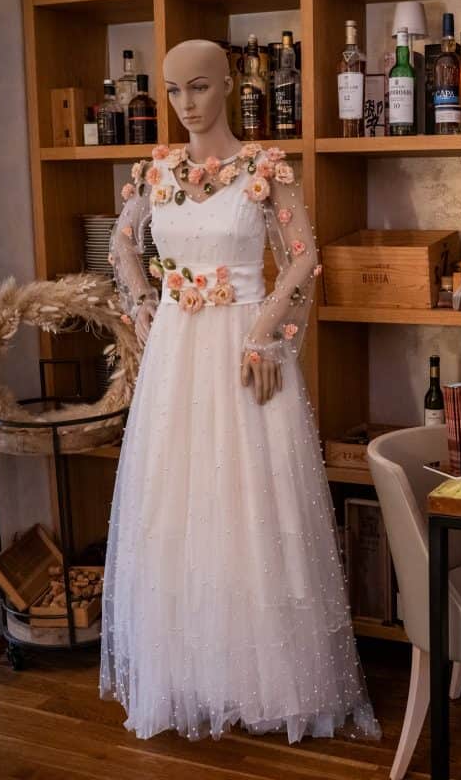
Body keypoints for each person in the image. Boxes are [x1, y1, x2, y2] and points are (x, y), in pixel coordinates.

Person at [99, 39, 379, 743]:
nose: (186, 104)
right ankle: (190, 673)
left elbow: (304, 257)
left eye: (199, 86)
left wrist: (264, 333)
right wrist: (143, 306)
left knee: (253, 498)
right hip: (177, 352)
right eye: (173, 90)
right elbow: (121, 243)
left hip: (242, 350)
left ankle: (268, 678)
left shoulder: (265, 168)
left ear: (229, 84)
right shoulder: (155, 172)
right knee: (179, 501)